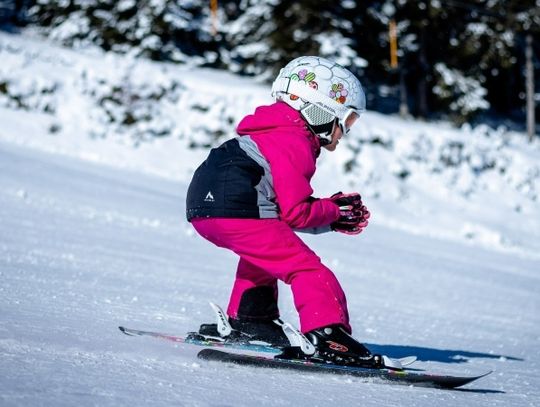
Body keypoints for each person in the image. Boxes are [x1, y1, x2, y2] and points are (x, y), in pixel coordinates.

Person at [186, 56, 379, 367]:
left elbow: (282, 212)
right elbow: (296, 213)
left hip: (204, 210)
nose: (344, 132)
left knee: (263, 254)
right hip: (238, 207)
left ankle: (254, 321)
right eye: (348, 120)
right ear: (321, 110)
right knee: (307, 270)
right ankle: (328, 336)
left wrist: (329, 215)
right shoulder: (294, 140)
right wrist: (333, 211)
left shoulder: (267, 133)